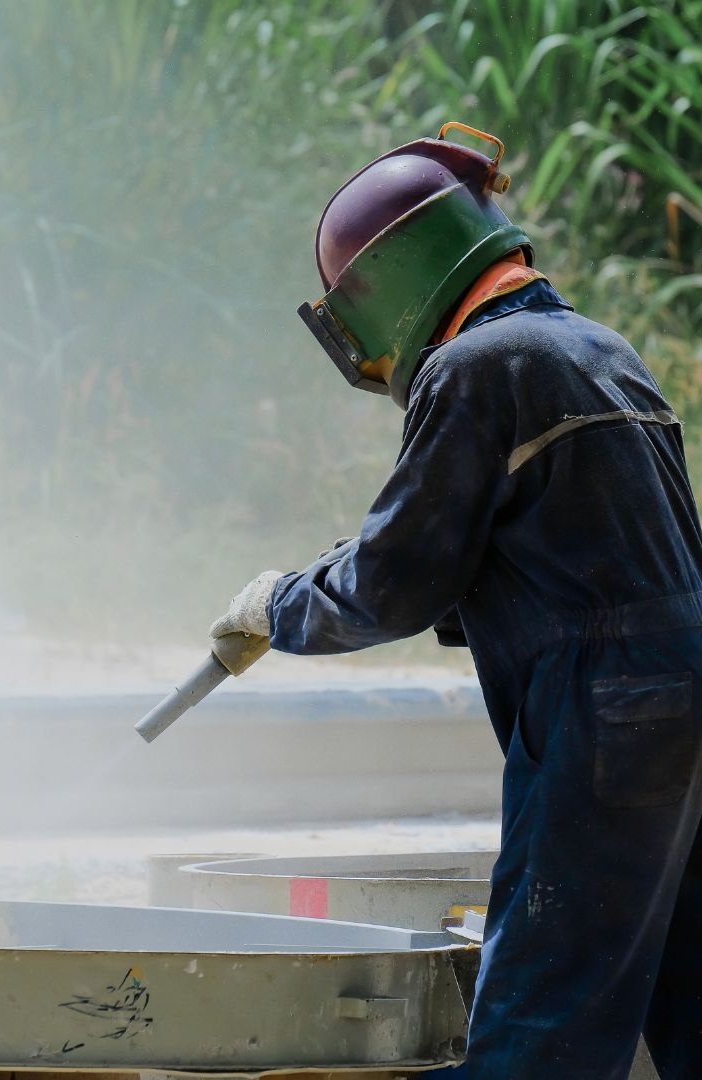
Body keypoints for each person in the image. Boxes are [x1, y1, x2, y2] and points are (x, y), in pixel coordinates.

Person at [208, 123, 702, 1079]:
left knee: (536, 1035)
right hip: (685, 696)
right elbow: (525, 553)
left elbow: (396, 579)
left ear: (386, 291)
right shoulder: (599, 348)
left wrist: (282, 604)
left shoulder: (473, 369)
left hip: (608, 720)